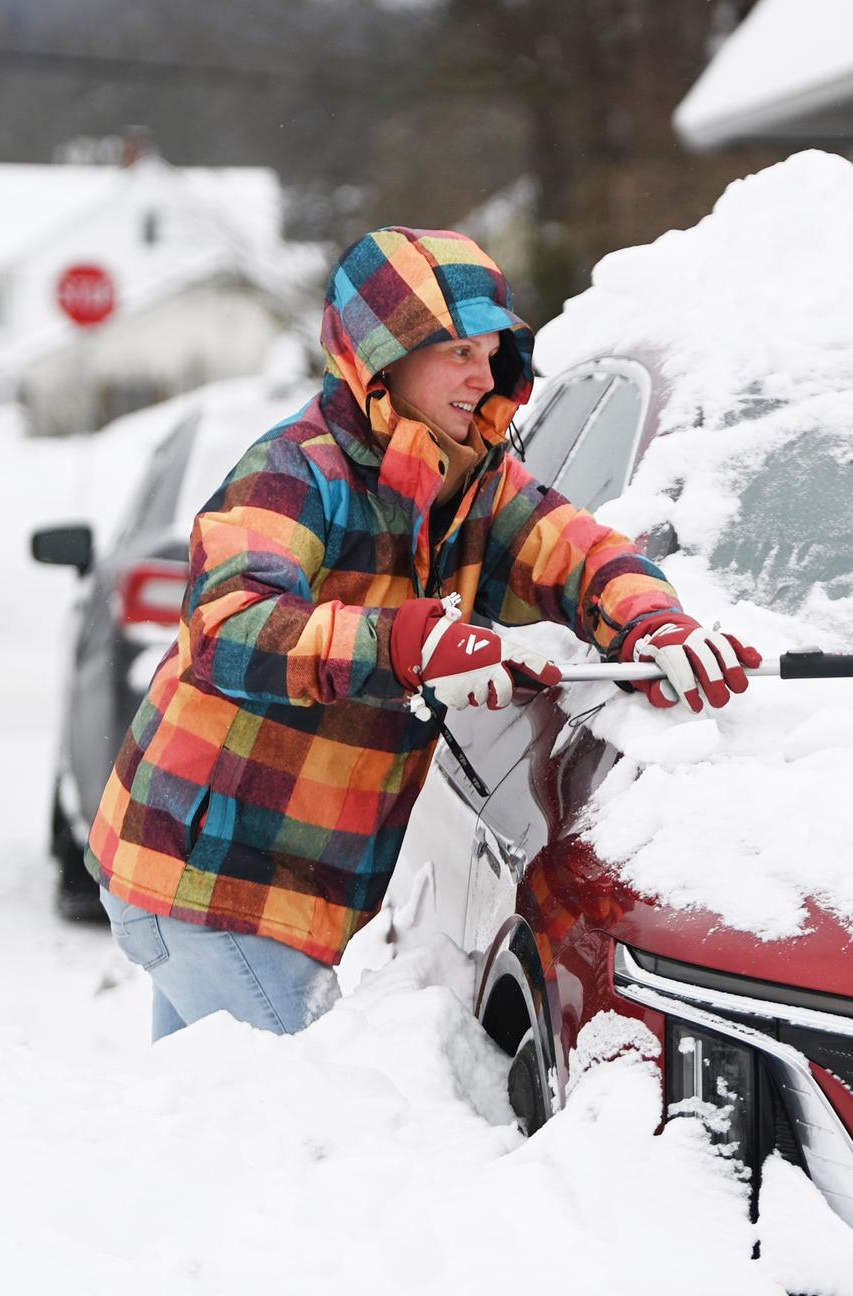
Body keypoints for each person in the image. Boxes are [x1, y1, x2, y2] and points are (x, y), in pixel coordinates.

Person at [88, 226, 760, 1041]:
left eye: (492, 352)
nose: (483, 375)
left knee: (220, 1131)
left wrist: (654, 624)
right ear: (382, 358)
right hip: (212, 872)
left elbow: (578, 555)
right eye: (456, 353)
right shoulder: (298, 471)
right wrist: (406, 645)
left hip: (279, 884)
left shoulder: (473, 479)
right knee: (303, 1128)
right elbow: (232, 625)